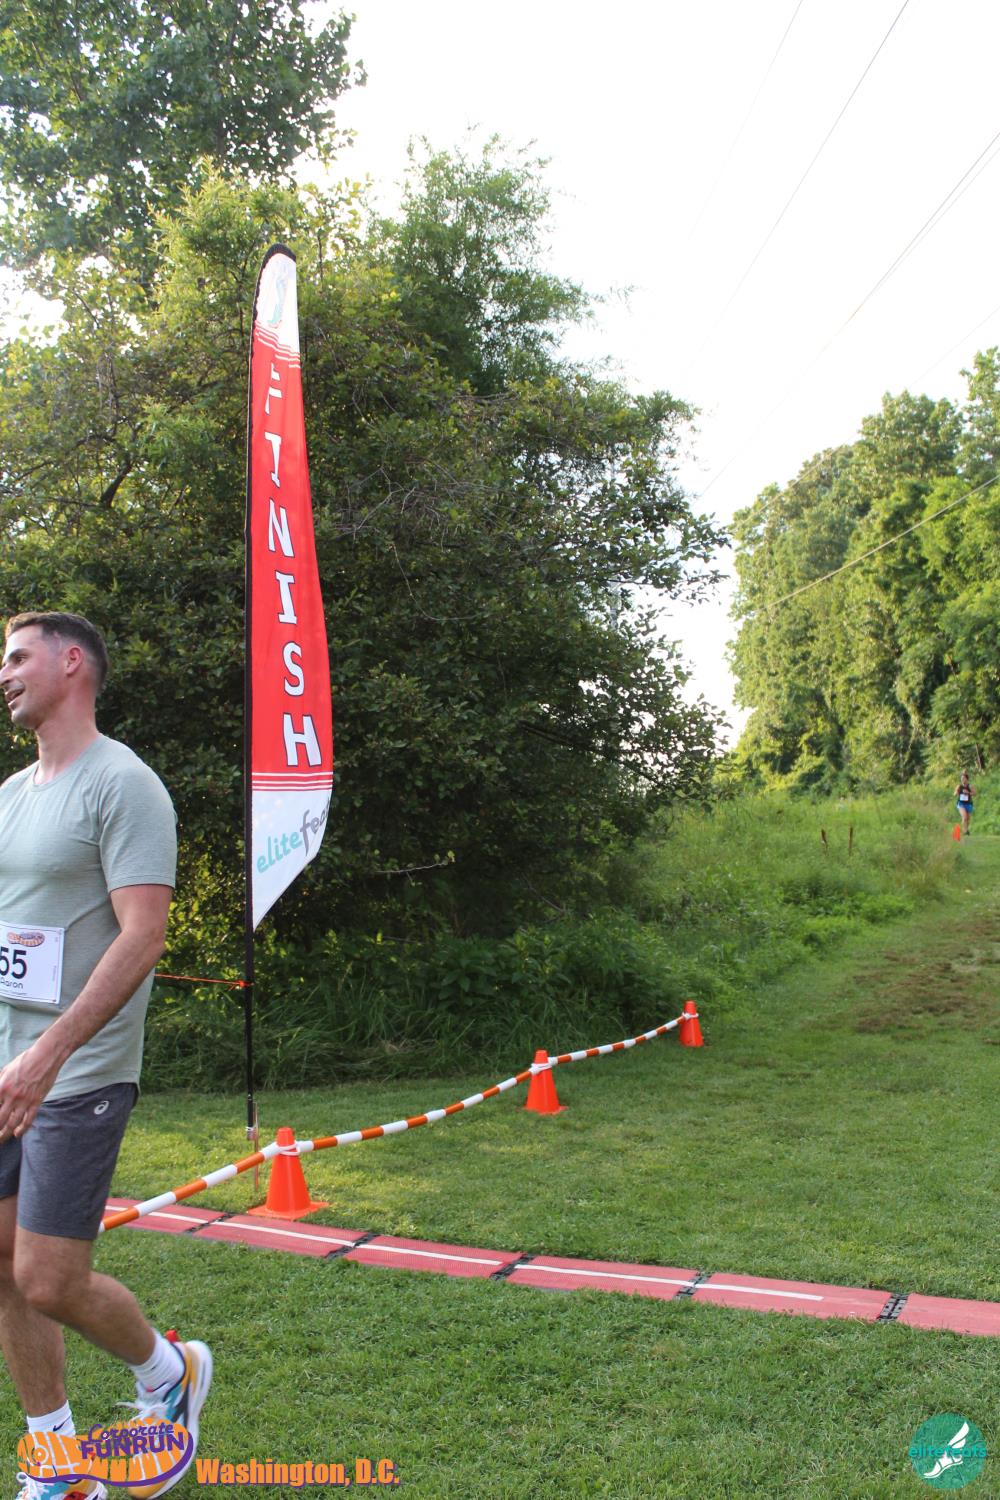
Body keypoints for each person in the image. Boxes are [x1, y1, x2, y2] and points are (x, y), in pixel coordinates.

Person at [0, 612, 211, 1500]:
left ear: (72, 661)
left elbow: (144, 935)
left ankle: (169, 1371)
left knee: (48, 1279)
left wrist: (48, 1053)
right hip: (5, 1070)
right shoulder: (11, 794)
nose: (5, 673)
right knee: (2, 1271)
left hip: (76, 1073)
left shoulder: (125, 784)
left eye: (18, 656)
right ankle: (58, 1467)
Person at [954, 769, 976, 836]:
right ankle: (965, 831)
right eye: (961, 779)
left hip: (968, 804)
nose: (962, 780)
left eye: (963, 778)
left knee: (968, 819)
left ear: (967, 779)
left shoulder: (970, 786)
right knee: (964, 817)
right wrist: (957, 792)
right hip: (961, 804)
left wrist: (968, 793)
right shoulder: (959, 786)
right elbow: (954, 794)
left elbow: (975, 794)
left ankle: (967, 830)